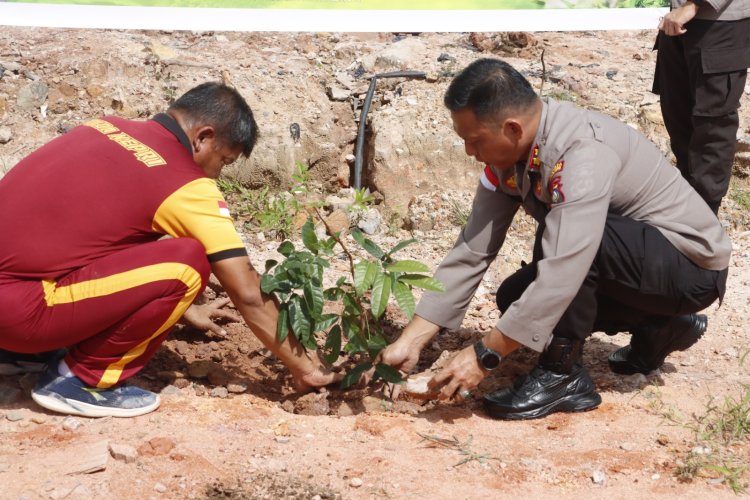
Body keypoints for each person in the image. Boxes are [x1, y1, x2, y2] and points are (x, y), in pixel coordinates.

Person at [378, 58, 731, 420]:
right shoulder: (511, 156)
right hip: (641, 265)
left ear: (512, 128)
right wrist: (414, 337)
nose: (470, 152)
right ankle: (659, 325)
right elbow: (473, 247)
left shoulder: (582, 154)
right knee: (514, 297)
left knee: (565, 241)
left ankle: (561, 375)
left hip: (689, 269)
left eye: (474, 140)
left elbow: (566, 266)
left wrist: (485, 354)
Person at [0, 82, 338, 418]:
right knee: (188, 263)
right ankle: (81, 380)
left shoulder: (106, 126)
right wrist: (306, 366)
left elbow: (99, 234)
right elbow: (247, 290)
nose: (218, 174)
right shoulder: (184, 183)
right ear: (203, 137)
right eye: (224, 160)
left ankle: (19, 355)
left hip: (11, 299)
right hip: (18, 314)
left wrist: (182, 309)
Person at [654, 0, 750, 214]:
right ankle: (685, 216)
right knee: (678, 119)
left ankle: (703, 224)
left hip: (719, 22)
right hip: (677, 19)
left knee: (712, 127)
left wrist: (694, 5)